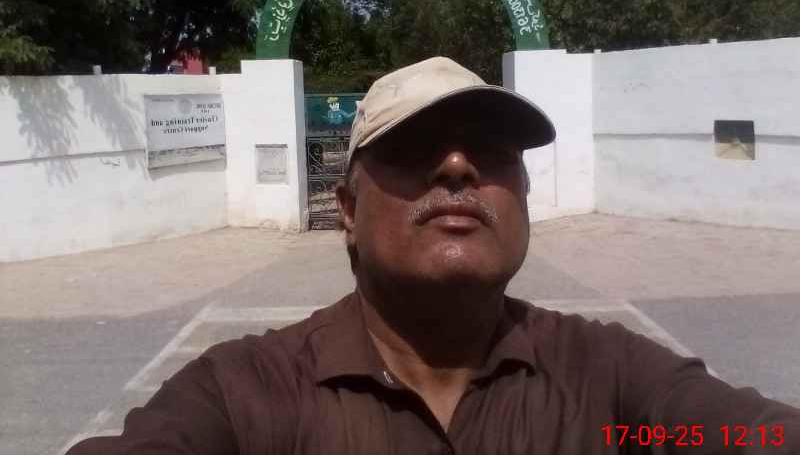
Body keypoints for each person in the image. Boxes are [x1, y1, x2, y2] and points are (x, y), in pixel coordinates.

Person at [69, 56, 799, 454]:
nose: (456, 166)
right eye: (414, 146)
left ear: (523, 198)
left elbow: (750, 435)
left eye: (492, 150)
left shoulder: (611, 380)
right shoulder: (242, 395)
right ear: (347, 211)